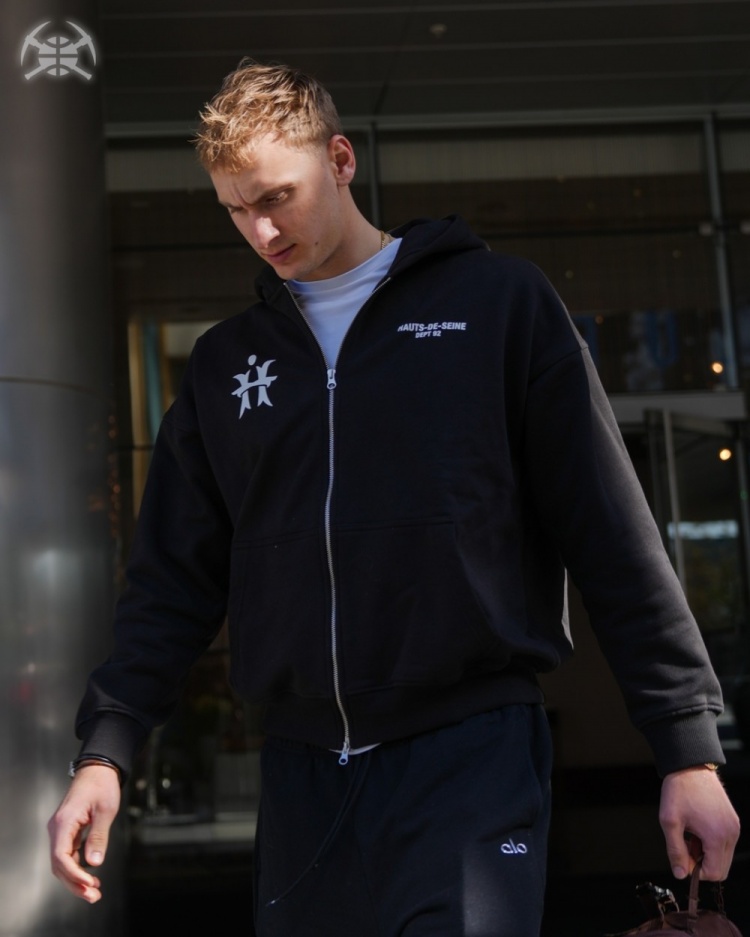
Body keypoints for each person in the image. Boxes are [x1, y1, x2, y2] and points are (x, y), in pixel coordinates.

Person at [48, 61, 740, 936]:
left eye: (277, 197)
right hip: (303, 779)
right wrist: (106, 749)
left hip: (470, 757)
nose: (261, 230)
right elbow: (171, 582)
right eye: (234, 209)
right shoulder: (226, 365)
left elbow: (611, 532)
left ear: (341, 160)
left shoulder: (497, 306)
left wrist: (688, 749)